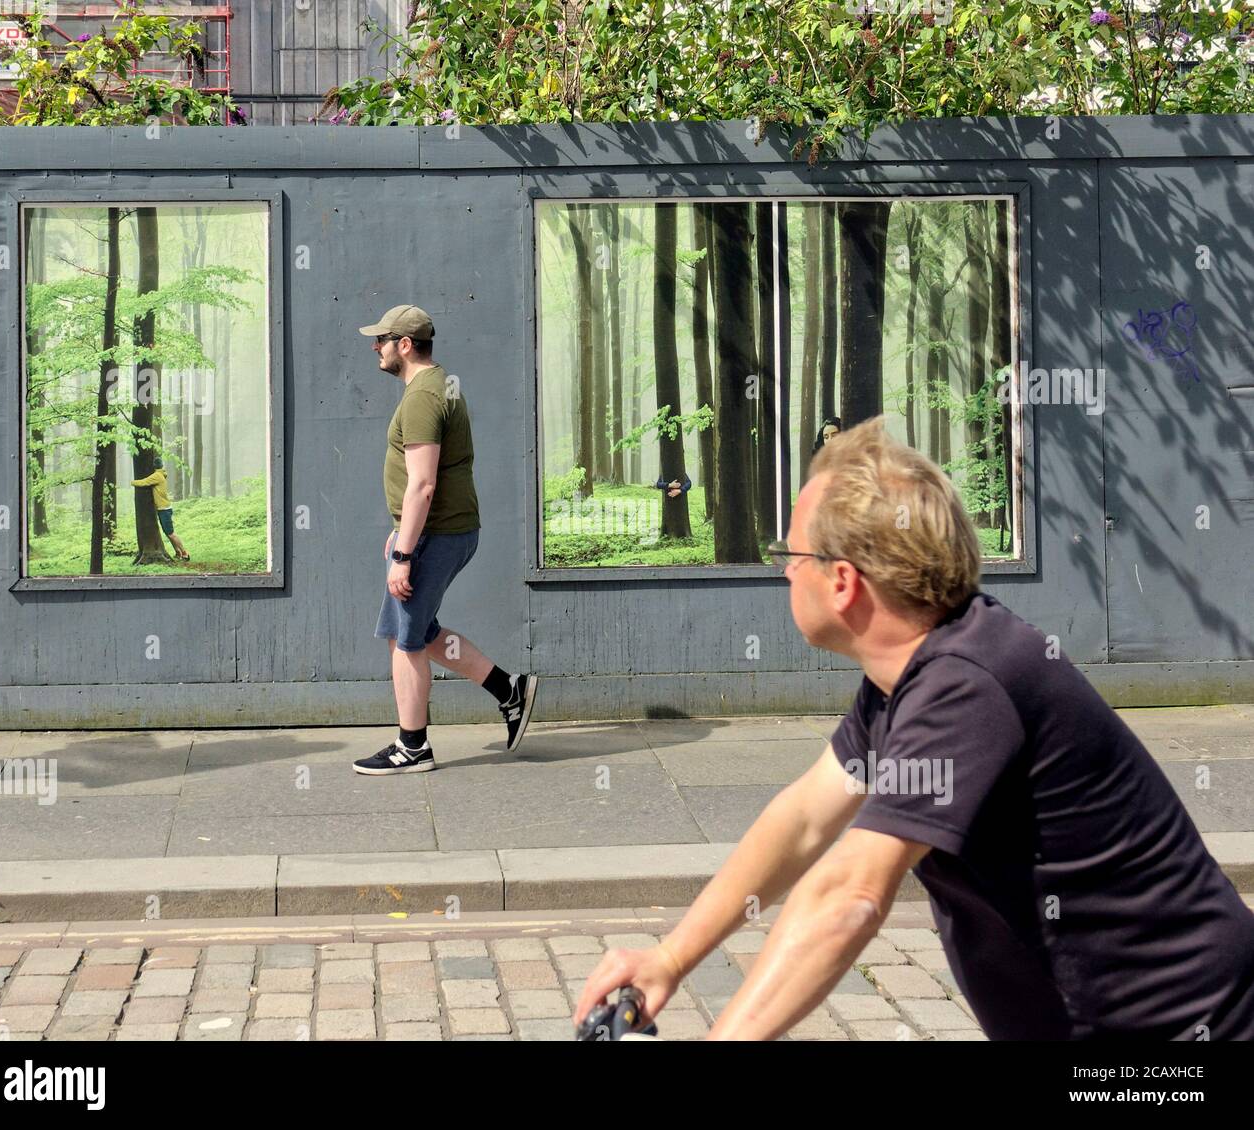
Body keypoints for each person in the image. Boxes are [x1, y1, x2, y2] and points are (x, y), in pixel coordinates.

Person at [574, 416, 1254, 1040]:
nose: (784, 569)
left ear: (842, 581)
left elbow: (851, 896)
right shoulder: (909, 677)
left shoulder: (968, 683)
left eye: (794, 553)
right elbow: (806, 820)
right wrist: (670, 957)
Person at [353, 304, 538, 776]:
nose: (376, 347)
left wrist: (403, 552)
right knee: (420, 630)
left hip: (439, 533)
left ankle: (413, 747)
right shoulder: (439, 386)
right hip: (441, 530)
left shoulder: (423, 397)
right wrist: (401, 533)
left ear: (406, 344)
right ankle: (508, 689)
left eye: (382, 340)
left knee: (405, 640)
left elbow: (423, 484)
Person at [131, 456, 190, 561]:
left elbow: (144, 482)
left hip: (164, 509)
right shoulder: (161, 474)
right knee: (168, 533)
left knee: (171, 534)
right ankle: (178, 552)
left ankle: (185, 553)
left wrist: (132, 482)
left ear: (154, 466)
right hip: (164, 508)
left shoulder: (157, 476)